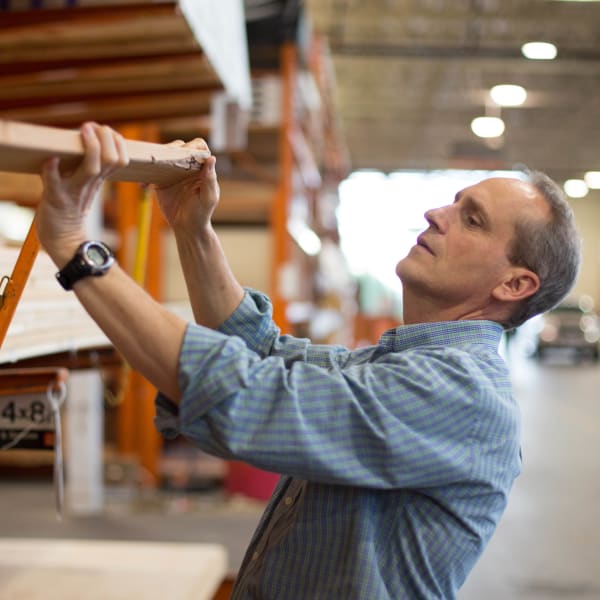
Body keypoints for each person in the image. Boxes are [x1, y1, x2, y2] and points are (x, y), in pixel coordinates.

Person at [36, 123, 581, 599]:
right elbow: (262, 353)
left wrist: (75, 248)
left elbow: (251, 397)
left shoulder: (461, 396)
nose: (436, 213)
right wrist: (192, 228)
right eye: (452, 201)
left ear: (514, 284)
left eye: (473, 219)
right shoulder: (402, 364)